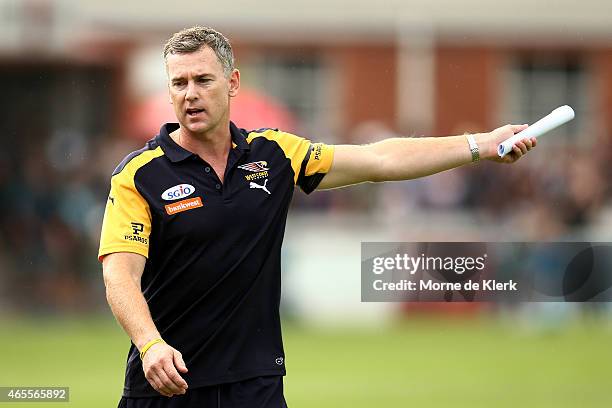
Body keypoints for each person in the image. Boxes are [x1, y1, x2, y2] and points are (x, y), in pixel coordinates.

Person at [99, 26, 536, 408]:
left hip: (255, 385)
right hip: (166, 382)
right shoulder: (139, 175)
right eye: (179, 83)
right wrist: (150, 343)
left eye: (202, 80)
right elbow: (120, 277)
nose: (190, 94)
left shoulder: (275, 154)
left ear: (232, 83)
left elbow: (378, 159)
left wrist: (480, 143)